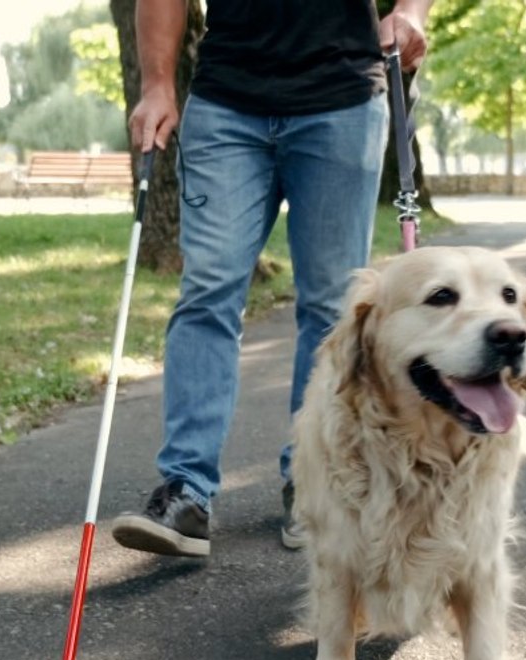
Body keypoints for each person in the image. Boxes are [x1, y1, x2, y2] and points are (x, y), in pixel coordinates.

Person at [111, 0, 433, 558]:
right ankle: (186, 489)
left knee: (331, 305)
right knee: (207, 290)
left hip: (343, 99)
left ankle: (312, 483)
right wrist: (158, 83)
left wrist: (412, 11)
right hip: (226, 102)